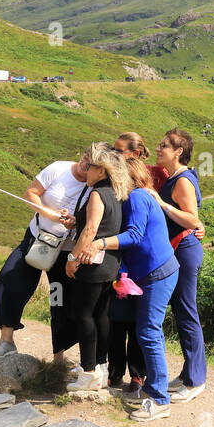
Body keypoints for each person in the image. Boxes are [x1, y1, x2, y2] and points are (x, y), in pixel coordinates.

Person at [89, 155, 180, 423]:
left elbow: (135, 235)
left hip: (158, 273)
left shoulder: (139, 197)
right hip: (149, 273)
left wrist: (100, 243)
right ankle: (154, 389)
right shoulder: (130, 199)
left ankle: (160, 401)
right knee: (148, 332)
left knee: (149, 332)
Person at [0, 151, 89, 365]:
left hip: (65, 251)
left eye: (89, 165)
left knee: (59, 299)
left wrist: (74, 222)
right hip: (37, 239)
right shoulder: (58, 168)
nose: (83, 166)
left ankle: (59, 357)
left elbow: (96, 219)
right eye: (83, 159)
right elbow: (31, 193)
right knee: (9, 279)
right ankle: (6, 341)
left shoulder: (95, 186)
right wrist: (51, 215)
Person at [62, 144, 129, 391]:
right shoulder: (116, 192)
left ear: (101, 171)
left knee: (83, 314)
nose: (85, 170)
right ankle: (99, 365)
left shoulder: (97, 194)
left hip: (92, 263)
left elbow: (91, 230)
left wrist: (73, 259)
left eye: (90, 166)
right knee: (101, 314)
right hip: (110, 263)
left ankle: (88, 372)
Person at [151, 128, 207, 403]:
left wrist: (161, 204)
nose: (159, 148)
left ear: (178, 152)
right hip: (178, 249)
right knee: (181, 310)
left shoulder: (182, 180)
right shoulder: (173, 177)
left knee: (186, 311)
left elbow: (192, 220)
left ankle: (196, 380)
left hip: (184, 250)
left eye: (164, 145)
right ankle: (188, 374)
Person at [105, 133, 151, 391]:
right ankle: (115, 372)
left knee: (133, 321)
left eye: (119, 150)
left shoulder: (141, 182)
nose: (115, 154)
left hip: (135, 258)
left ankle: (137, 374)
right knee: (115, 320)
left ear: (133, 153)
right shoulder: (114, 178)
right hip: (116, 256)